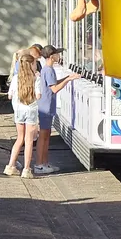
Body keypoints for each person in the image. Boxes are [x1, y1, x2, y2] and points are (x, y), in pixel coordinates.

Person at [33, 46, 79, 175]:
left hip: (47, 105)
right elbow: (54, 89)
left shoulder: (47, 69)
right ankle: (39, 164)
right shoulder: (48, 70)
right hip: (46, 106)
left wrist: (67, 78)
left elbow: (53, 83)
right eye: (57, 54)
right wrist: (68, 80)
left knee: (47, 135)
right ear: (52, 56)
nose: (59, 56)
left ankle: (44, 162)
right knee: (43, 135)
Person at [3, 52, 41, 179]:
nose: (36, 66)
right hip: (31, 109)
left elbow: (10, 95)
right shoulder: (36, 78)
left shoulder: (16, 78)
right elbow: (38, 96)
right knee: (29, 140)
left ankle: (10, 166)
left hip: (19, 110)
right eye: (35, 63)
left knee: (20, 138)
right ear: (31, 64)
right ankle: (26, 169)